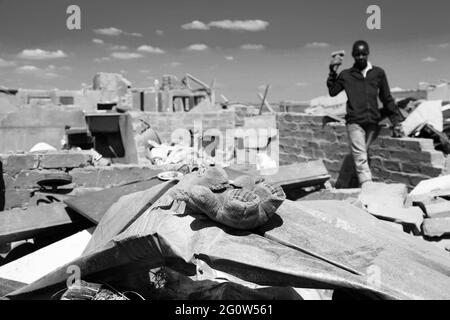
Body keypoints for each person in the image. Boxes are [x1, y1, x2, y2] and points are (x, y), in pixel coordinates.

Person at [327, 40, 404, 187]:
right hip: (355, 121)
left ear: (368, 54)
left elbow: (386, 98)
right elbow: (332, 92)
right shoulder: (346, 75)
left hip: (373, 122)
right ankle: (368, 187)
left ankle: (346, 184)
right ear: (353, 55)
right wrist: (332, 71)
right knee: (361, 156)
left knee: (363, 154)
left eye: (363, 54)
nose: (360, 57)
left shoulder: (378, 73)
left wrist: (396, 121)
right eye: (357, 54)